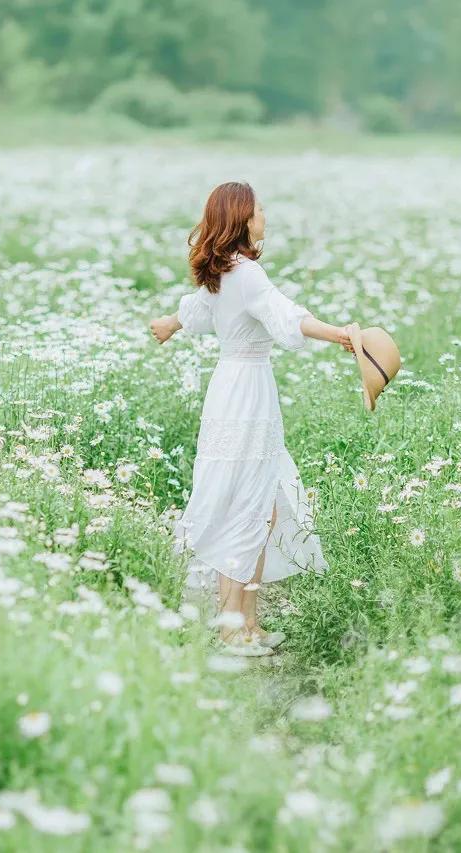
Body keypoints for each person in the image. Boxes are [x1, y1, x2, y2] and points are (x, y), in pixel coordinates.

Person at [149, 181, 355, 656]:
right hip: (245, 393)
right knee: (245, 504)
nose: (265, 216)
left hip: (239, 388)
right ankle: (230, 630)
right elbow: (285, 317)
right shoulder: (244, 275)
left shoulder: (224, 272)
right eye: (260, 209)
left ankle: (250, 624)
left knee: (261, 503)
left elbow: (198, 310)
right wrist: (338, 334)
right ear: (242, 218)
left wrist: (168, 324)